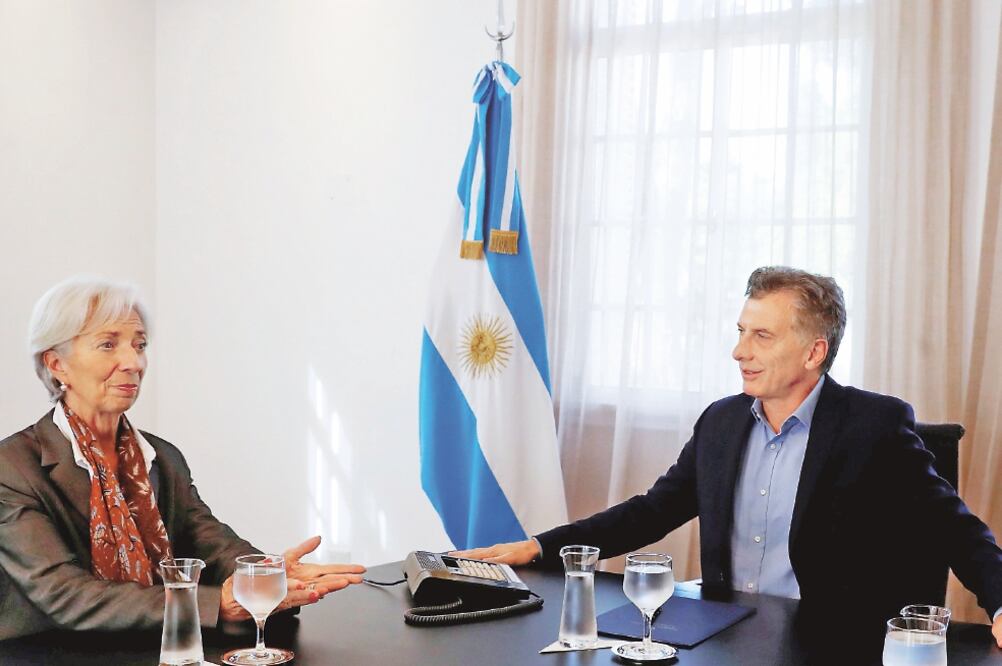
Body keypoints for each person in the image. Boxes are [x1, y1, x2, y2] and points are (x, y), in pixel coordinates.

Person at [456, 266, 1002, 647]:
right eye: (741, 331)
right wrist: (539, 546)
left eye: (762, 336)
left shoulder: (873, 426)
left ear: (814, 352)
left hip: (827, 643)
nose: (740, 351)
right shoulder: (721, 421)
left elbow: (954, 528)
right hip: (721, 635)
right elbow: (652, 510)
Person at [0, 277, 365, 640]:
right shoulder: (13, 466)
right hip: (48, 652)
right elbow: (63, 594)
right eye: (108, 344)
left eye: (139, 345)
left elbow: (211, 542)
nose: (133, 362)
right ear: (57, 364)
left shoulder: (160, 456)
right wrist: (214, 604)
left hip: (160, 644)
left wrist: (266, 577)